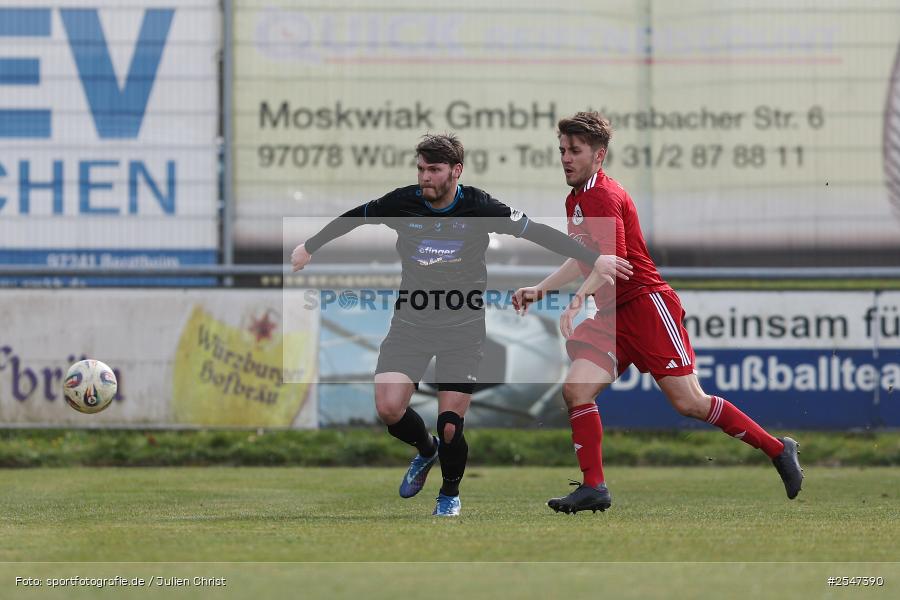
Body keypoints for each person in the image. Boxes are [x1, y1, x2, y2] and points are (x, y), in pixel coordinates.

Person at [291, 133, 632, 516]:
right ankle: (426, 449)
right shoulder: (404, 202)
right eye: (421, 169)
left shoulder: (479, 206)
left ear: (456, 171)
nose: (425, 178)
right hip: (411, 323)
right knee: (389, 408)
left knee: (451, 424)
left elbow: (536, 231)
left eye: (434, 170)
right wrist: (310, 247)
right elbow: (354, 217)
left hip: (463, 328)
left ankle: (449, 496)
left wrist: (593, 258)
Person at [513, 112, 803, 514]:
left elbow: (611, 261)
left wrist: (578, 299)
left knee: (690, 403)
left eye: (574, 151)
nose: (565, 158)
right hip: (612, 316)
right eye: (562, 150)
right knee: (576, 389)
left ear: (599, 156)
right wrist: (541, 289)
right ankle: (594, 487)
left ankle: (777, 449)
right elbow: (584, 255)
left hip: (647, 307)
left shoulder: (603, 195)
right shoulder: (576, 197)